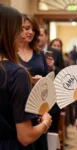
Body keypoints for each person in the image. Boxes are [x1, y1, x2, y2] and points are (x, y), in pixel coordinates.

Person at [0, 4, 52, 150]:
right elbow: (25, 136)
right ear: (9, 32)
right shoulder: (17, 73)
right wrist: (46, 122)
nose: (23, 35)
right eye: (20, 29)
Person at [18, 14, 50, 150]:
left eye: (32, 29)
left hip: (39, 106)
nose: (30, 32)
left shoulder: (39, 54)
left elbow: (49, 78)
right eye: (25, 28)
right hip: (19, 106)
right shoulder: (9, 53)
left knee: (40, 143)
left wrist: (43, 80)